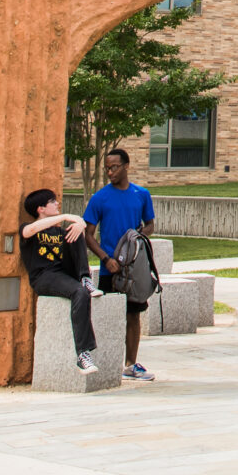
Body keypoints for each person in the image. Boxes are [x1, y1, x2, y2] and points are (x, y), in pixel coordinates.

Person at [82, 147, 159, 380]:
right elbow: (88, 235)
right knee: (107, 315)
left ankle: (130, 365)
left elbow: (150, 225)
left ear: (126, 166)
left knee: (133, 315)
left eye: (114, 167)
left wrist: (137, 240)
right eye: (107, 168)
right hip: (110, 268)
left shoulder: (141, 194)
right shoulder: (100, 198)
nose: (110, 172)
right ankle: (103, 362)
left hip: (133, 269)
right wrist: (106, 259)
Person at [20, 189, 100, 373]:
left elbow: (79, 227)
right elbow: (28, 231)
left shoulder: (62, 232)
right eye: (52, 202)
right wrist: (65, 216)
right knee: (79, 293)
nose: (57, 204)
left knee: (77, 230)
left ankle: (85, 278)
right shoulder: (29, 229)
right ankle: (83, 354)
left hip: (65, 273)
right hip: (44, 277)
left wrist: (79, 223)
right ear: (41, 209)